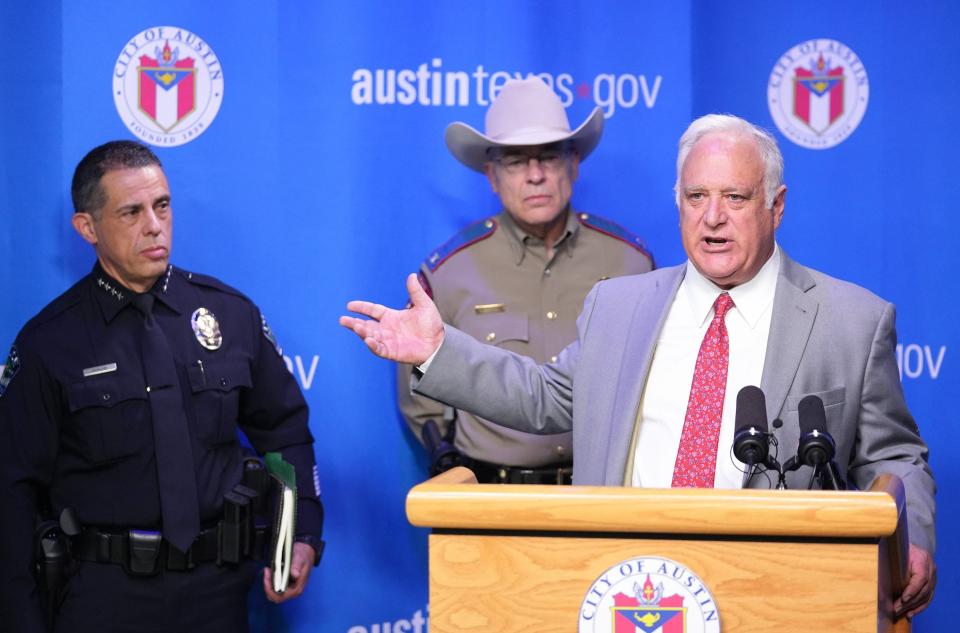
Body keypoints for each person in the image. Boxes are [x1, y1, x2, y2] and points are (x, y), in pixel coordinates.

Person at [341, 114, 936, 617]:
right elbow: (546, 397)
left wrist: (915, 537)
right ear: (678, 203)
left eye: (735, 197)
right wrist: (438, 350)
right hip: (621, 587)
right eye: (697, 197)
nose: (713, 217)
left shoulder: (852, 321)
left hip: (775, 592)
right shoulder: (619, 304)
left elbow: (893, 454)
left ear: (775, 206)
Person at [0, 141, 323, 633]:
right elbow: (13, 492)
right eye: (131, 212)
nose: (154, 224)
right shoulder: (51, 343)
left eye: (163, 205)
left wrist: (298, 532)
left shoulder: (229, 316)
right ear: (87, 227)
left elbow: (284, 433)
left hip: (217, 593)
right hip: (102, 597)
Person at [399, 77, 653, 484]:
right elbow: (422, 404)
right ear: (492, 176)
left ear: (573, 165)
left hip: (601, 500)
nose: (535, 175)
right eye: (516, 161)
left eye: (549, 157)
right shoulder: (448, 272)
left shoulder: (631, 262)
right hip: (488, 499)